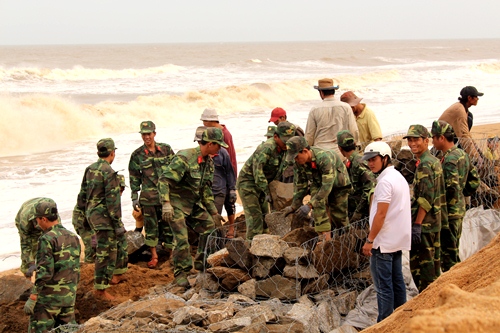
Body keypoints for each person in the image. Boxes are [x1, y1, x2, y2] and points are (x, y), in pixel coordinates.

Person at [159, 127, 225, 287]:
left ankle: (201, 264)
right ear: (210, 144)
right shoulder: (185, 157)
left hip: (193, 203)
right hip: (176, 203)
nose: (220, 149)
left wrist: (214, 212)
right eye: (218, 145)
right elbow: (164, 181)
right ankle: (181, 273)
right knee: (181, 238)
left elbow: (205, 191)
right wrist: (166, 203)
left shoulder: (209, 163)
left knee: (209, 228)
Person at [360, 141, 411, 322]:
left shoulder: (384, 182)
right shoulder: (398, 177)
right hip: (396, 240)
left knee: (383, 287)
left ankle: (385, 324)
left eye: (373, 159)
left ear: (385, 158)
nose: (370, 164)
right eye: (368, 160)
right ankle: (401, 319)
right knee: (397, 282)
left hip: (383, 242)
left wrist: (370, 240)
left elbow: (381, 214)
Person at [77, 138, 128, 300]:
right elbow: (113, 202)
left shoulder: (90, 169)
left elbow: (82, 195)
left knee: (105, 249)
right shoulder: (109, 172)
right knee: (106, 253)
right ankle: (100, 289)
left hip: (91, 215)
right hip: (104, 218)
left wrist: (85, 215)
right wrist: (118, 224)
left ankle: (113, 277)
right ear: (112, 153)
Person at [24, 199, 81, 333]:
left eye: (37, 219)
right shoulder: (73, 237)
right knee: (68, 330)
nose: (37, 223)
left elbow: (45, 272)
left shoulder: (47, 239)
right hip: (69, 296)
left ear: (43, 219)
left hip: (49, 300)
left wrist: (33, 296)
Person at [431, 120, 479, 272]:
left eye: (434, 137)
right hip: (458, 209)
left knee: (449, 255)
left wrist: (450, 201)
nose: (432, 141)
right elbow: (474, 180)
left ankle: (455, 286)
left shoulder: (450, 159)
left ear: (441, 138)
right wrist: (462, 195)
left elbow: (451, 187)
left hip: (450, 213)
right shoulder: (462, 154)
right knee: (453, 249)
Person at [404, 125, 446, 292]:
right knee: (434, 268)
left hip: (426, 226)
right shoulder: (433, 161)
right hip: (434, 222)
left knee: (424, 273)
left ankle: (430, 307)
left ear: (426, 140)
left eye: (416, 139)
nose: (412, 143)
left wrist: (417, 225)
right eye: (410, 139)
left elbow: (425, 199)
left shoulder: (425, 165)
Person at [283, 136, 351, 240]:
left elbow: (327, 186)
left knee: (338, 215)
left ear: (305, 151)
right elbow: (300, 185)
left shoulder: (324, 158)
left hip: (338, 185)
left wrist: (309, 205)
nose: (295, 160)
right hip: (318, 183)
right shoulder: (299, 163)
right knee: (318, 208)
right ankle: (325, 241)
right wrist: (294, 206)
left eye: (296, 157)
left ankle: (347, 239)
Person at [237, 121, 296, 240]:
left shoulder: (285, 149)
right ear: (275, 136)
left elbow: (282, 170)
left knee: (265, 218)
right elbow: (258, 173)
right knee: (255, 220)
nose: (286, 144)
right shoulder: (266, 148)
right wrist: (267, 193)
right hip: (249, 184)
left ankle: (263, 247)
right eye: (284, 141)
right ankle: (251, 248)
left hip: (264, 185)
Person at [129, 120, 175, 268]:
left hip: (166, 196)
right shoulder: (137, 155)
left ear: (154, 133)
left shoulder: (166, 150)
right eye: (143, 134)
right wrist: (134, 197)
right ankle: (154, 256)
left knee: (169, 224)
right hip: (148, 198)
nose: (146, 137)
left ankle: (171, 253)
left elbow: (176, 170)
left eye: (148, 134)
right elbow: (134, 176)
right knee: (151, 227)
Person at [194, 126, 237, 238]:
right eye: (198, 142)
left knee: (215, 219)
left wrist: (232, 189)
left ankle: (218, 241)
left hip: (219, 191)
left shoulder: (222, 154)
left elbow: (230, 172)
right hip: (204, 194)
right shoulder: (197, 156)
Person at [201, 108, 238, 233]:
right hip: (211, 186)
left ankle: (229, 229)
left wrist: (232, 186)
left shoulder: (224, 139)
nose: (203, 124)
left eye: (204, 121)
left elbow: (230, 158)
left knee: (228, 204)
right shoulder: (204, 148)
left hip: (223, 179)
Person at [305, 78, 359, 154]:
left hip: (320, 153)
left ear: (321, 92)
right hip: (340, 152)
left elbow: (309, 136)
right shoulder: (346, 107)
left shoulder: (315, 109)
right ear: (333, 91)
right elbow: (354, 131)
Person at [337, 130, 376, 223]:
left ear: (340, 148)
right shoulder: (352, 161)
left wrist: (358, 213)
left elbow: (370, 188)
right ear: (354, 144)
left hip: (366, 206)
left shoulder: (358, 163)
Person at [439, 86, 485, 165]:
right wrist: (476, 157)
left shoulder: (464, 109)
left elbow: (467, 134)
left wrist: (479, 152)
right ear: (469, 98)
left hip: (451, 135)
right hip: (441, 137)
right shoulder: (459, 111)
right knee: (469, 120)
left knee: (469, 117)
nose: (478, 99)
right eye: (476, 97)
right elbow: (464, 136)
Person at [15, 198, 55, 278]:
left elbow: (58, 235)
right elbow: (25, 245)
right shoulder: (25, 222)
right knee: (31, 250)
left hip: (44, 206)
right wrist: (31, 263)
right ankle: (27, 280)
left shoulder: (52, 213)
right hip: (26, 218)